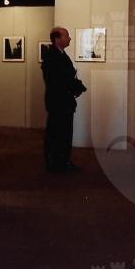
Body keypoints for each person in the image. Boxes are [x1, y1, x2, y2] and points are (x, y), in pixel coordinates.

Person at [41, 27, 87, 173]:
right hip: (58, 102)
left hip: (63, 101)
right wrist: (75, 87)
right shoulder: (52, 57)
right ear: (57, 39)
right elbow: (59, 80)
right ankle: (56, 164)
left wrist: (76, 86)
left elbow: (67, 77)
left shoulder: (60, 55)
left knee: (64, 133)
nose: (69, 38)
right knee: (57, 133)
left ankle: (62, 162)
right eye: (66, 36)